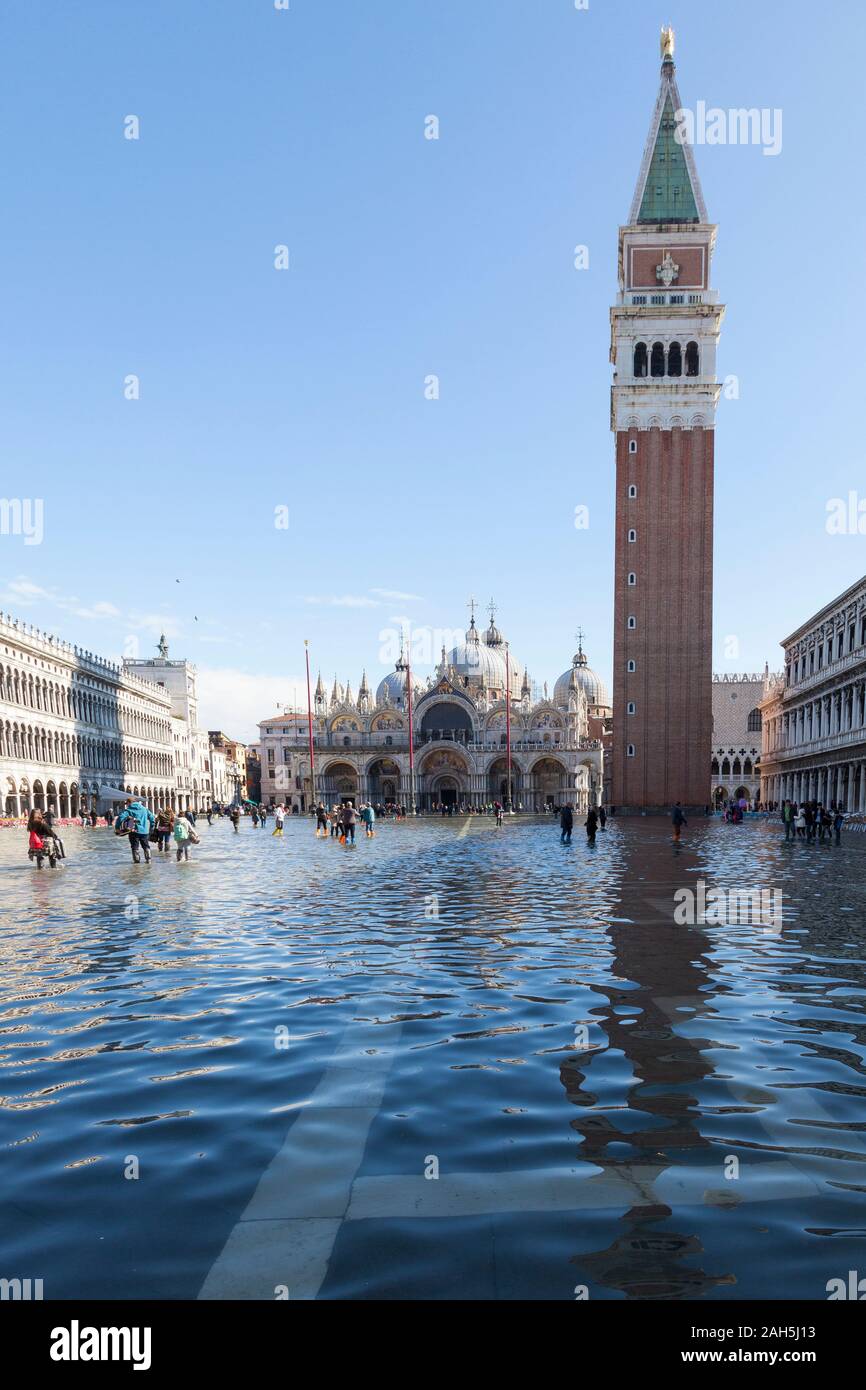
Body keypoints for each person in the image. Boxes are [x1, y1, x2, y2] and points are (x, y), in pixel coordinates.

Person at [118, 797, 156, 864]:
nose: (127, 805)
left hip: (133, 832)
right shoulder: (144, 809)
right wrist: (152, 827)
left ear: (130, 803)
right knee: (146, 846)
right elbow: (152, 818)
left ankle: (136, 863)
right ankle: (148, 860)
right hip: (144, 831)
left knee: (135, 847)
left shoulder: (128, 810)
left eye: (127, 804)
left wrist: (117, 827)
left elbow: (120, 818)